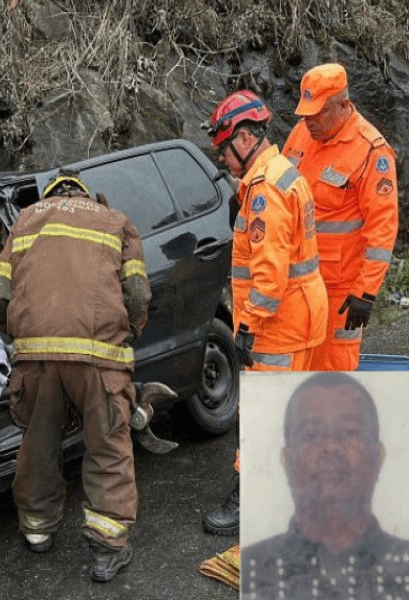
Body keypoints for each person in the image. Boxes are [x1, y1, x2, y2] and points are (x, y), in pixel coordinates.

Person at [0, 171, 151, 582]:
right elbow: (139, 294)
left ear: (50, 195)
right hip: (99, 359)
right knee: (107, 444)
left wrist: (19, 333)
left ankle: (37, 530)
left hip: (37, 359)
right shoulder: (115, 221)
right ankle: (107, 548)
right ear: (85, 194)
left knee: (38, 443)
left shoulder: (24, 221)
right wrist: (129, 332)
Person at [201, 90, 328, 536]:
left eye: (224, 149)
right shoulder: (282, 173)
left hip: (280, 325)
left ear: (245, 137)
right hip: (305, 315)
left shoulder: (265, 190)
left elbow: (269, 274)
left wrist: (248, 326)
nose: (223, 158)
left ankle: (251, 500)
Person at [241, 372, 409, 600]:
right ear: (286, 460)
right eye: (311, 434)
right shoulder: (252, 569)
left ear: (377, 457)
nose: (331, 446)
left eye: (350, 432)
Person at [282, 63, 400, 371]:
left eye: (318, 113)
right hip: (295, 281)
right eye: (306, 113)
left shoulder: (372, 152)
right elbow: (278, 192)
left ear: (344, 105)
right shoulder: (301, 134)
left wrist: (366, 292)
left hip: (340, 291)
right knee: (294, 368)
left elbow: (382, 230)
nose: (310, 122)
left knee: (334, 373)